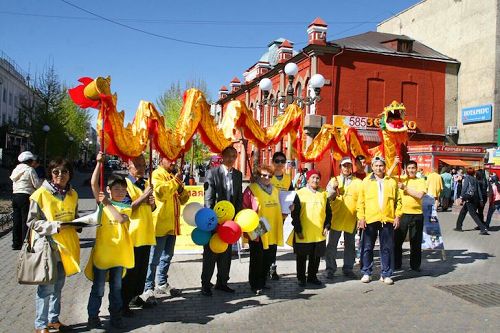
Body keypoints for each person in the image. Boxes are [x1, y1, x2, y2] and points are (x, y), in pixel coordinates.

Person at [27, 158, 80, 333]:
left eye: (64, 172)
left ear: (70, 174)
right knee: (46, 287)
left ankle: (53, 319)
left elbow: (75, 215)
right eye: (56, 171)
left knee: (58, 286)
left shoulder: (73, 194)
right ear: (51, 173)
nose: (60, 175)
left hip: (67, 248)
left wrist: (80, 224)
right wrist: (55, 226)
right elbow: (32, 222)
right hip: (48, 247)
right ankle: (40, 325)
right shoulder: (40, 194)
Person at [86, 152, 133, 330]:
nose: (120, 192)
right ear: (108, 190)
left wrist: (107, 203)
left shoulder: (127, 207)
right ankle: (93, 317)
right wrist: (99, 163)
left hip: (118, 256)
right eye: (116, 189)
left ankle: (116, 316)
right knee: (98, 289)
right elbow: (92, 183)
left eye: (123, 189)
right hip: (102, 255)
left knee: (116, 289)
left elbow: (121, 219)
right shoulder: (102, 203)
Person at [140, 157, 188, 304]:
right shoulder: (156, 174)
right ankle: (148, 287)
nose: (173, 162)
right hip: (159, 224)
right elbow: (161, 193)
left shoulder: (173, 176)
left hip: (172, 224)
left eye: (175, 160)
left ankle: (162, 283)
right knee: (153, 259)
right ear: (161, 160)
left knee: (167, 256)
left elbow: (184, 199)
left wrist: (180, 188)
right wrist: (176, 182)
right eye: (170, 159)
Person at [201, 146, 243, 296]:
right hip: (214, 221)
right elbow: (208, 199)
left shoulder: (238, 174)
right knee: (211, 253)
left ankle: (222, 282)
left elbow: (238, 198)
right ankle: (205, 284)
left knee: (226, 254)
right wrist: (213, 221)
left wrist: (236, 218)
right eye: (228, 156)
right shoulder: (212, 173)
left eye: (234, 156)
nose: (231, 159)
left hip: (230, 222)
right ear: (222, 157)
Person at [357, 156, 401, 285]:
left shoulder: (391, 182)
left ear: (385, 167)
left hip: (387, 219)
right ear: (372, 167)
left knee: (387, 248)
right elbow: (361, 201)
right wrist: (361, 217)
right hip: (370, 219)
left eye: (381, 165)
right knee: (367, 247)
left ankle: (386, 273)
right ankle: (366, 272)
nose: (378, 168)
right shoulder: (366, 182)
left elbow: (398, 201)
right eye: (376, 165)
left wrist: (397, 216)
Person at [121, 155, 156, 316]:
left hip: (147, 233)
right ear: (129, 166)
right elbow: (127, 207)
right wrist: (143, 197)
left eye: (143, 165)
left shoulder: (146, 183)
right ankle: (123, 302)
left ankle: (135, 296)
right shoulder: (125, 184)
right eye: (137, 165)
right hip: (133, 234)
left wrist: (152, 201)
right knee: (130, 272)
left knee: (142, 270)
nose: (141, 168)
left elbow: (152, 208)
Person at [243, 165, 283, 295]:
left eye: (269, 176)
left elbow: (281, 208)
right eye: (264, 175)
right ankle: (255, 284)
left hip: (272, 227)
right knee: (257, 257)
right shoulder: (251, 189)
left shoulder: (276, 190)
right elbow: (245, 209)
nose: (267, 178)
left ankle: (263, 281)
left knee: (268, 257)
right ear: (257, 175)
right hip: (259, 227)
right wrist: (250, 230)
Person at [290, 170, 331, 287]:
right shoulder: (299, 193)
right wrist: (298, 229)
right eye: (312, 177)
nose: (315, 180)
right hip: (304, 231)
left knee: (316, 256)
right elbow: (295, 214)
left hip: (319, 232)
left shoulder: (323, 193)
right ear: (308, 179)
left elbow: (328, 212)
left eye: (317, 178)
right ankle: (301, 278)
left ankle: (312, 276)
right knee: (302, 257)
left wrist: (327, 226)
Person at [325, 157, 362, 279]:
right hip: (336, 217)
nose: (346, 168)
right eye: (344, 166)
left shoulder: (358, 182)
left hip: (351, 218)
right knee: (332, 245)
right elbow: (328, 197)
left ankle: (348, 268)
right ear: (340, 167)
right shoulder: (334, 180)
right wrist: (333, 189)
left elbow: (362, 201)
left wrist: (360, 217)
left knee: (350, 246)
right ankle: (330, 269)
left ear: (352, 167)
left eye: (349, 166)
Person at [394, 160, 426, 272]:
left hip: (417, 215)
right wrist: (394, 163)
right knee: (397, 240)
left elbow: (419, 195)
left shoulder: (421, 180)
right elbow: (386, 177)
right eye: (409, 168)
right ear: (405, 169)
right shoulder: (401, 179)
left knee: (416, 242)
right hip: (403, 214)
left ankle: (415, 265)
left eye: (413, 168)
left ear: (416, 169)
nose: (411, 170)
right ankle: (396, 264)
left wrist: (405, 188)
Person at [10, 151, 42, 250]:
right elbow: (37, 184)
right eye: (32, 161)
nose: (34, 162)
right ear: (29, 161)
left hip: (15, 196)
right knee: (25, 220)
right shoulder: (30, 170)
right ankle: (25, 243)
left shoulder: (16, 169)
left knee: (16, 220)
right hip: (25, 196)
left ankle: (16, 243)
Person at [269, 151, 293, 280]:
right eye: (277, 161)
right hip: (265, 215)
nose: (279, 164)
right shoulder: (267, 176)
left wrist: (291, 206)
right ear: (273, 162)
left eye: (282, 161)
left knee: (274, 242)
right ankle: (262, 267)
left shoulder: (288, 178)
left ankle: (272, 268)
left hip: (280, 216)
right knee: (263, 241)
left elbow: (291, 195)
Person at [454, 168, 489, 235]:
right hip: (475, 198)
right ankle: (458, 227)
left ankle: (483, 228)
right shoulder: (475, 179)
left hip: (469, 197)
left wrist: (461, 197)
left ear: (467, 172)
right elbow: (478, 190)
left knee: (473, 214)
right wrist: (481, 199)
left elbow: (464, 188)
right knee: (463, 212)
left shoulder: (467, 178)